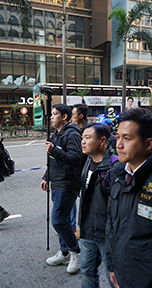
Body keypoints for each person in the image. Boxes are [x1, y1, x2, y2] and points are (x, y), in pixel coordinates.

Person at [106, 108, 152, 288]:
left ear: (148, 144)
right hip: (120, 272)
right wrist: (111, 266)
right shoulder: (119, 176)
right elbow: (111, 225)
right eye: (118, 137)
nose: (118, 145)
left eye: (127, 138)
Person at [41, 104, 83, 274]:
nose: (51, 117)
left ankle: (76, 252)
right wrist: (46, 177)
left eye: (55, 114)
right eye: (51, 114)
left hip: (68, 184)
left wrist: (55, 151)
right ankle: (65, 252)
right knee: (62, 220)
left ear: (64, 117)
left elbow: (76, 158)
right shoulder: (56, 135)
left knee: (57, 220)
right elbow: (53, 161)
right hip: (56, 183)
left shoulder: (72, 134)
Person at [79, 122, 117, 288]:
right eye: (82, 138)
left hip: (107, 235)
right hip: (88, 229)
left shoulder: (115, 168)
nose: (83, 141)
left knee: (115, 278)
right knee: (86, 271)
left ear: (102, 141)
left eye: (87, 137)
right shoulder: (88, 161)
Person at [71, 103, 89, 236]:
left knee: (85, 200)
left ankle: (82, 228)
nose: (72, 117)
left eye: (73, 114)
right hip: (80, 170)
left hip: (86, 170)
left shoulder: (88, 130)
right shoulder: (77, 129)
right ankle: (74, 227)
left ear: (81, 116)